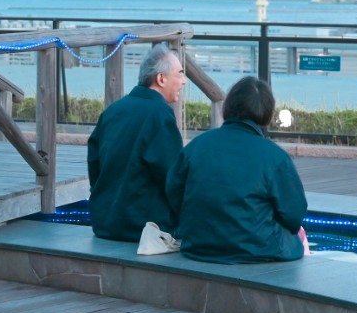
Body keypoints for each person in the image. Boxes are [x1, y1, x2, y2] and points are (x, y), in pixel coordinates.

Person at [166, 76, 307, 264]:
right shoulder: (275, 157)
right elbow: (294, 215)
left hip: (198, 245)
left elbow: (173, 191)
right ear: (267, 112)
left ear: (229, 106)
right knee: (300, 236)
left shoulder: (197, 145)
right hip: (259, 249)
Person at [87, 43, 186, 241]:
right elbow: (172, 176)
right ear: (161, 79)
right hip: (145, 227)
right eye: (180, 74)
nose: (184, 81)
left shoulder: (113, 110)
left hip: (104, 222)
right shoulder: (159, 114)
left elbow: (94, 163)